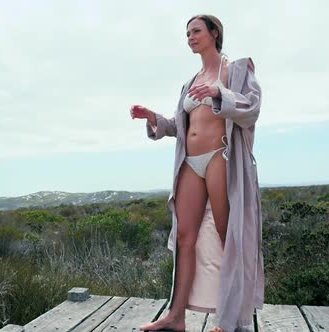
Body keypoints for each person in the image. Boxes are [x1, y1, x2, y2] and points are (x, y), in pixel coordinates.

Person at [130, 14, 264, 332]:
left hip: (221, 155)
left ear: (214, 33)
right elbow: (182, 126)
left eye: (196, 31)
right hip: (190, 162)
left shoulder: (237, 68)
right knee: (186, 237)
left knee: (225, 235)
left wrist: (219, 93)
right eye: (187, 33)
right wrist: (155, 119)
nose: (190, 37)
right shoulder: (190, 82)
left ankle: (229, 319)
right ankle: (176, 317)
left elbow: (252, 107)